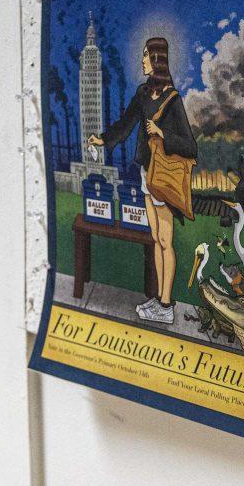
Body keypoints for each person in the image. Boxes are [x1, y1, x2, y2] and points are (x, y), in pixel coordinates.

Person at [89, 37, 196, 324]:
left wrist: (162, 134)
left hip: (164, 177)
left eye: (147, 55)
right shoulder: (142, 93)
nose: (143, 60)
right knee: (155, 239)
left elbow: (189, 145)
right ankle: (160, 301)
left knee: (165, 239)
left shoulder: (172, 100)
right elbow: (126, 123)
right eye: (143, 55)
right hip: (145, 173)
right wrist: (104, 139)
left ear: (158, 60)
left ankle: (165, 303)